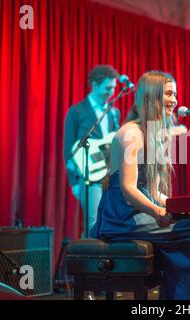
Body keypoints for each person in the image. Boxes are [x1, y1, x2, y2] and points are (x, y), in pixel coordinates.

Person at [90, 71, 190, 300]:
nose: (175, 100)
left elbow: (152, 191)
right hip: (122, 218)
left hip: (140, 215)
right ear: (152, 96)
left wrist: (177, 208)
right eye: (169, 93)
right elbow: (129, 189)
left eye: (175, 94)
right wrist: (158, 211)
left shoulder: (154, 135)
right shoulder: (132, 133)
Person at [64, 65, 121, 235]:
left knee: (107, 220)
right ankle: (89, 259)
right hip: (88, 176)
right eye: (107, 88)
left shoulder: (114, 112)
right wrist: (73, 182)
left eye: (113, 88)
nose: (111, 92)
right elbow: (68, 148)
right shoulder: (76, 111)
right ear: (95, 85)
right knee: (93, 220)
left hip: (108, 174)